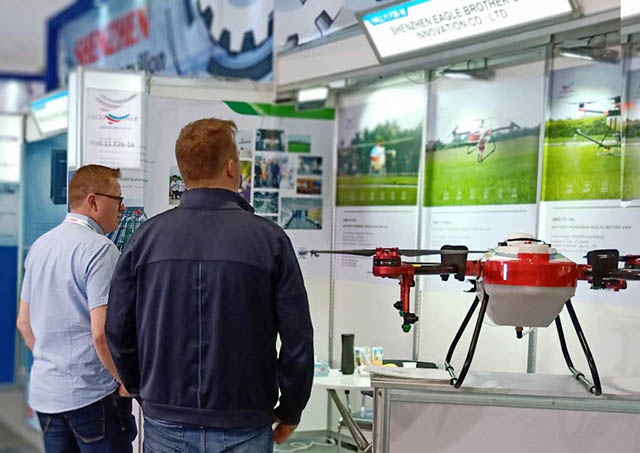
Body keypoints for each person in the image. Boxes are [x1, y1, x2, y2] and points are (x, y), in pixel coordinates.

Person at [106, 118, 314, 453]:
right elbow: (298, 338)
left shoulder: (145, 239)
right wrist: (292, 408)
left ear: (184, 171)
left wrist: (143, 390)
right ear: (231, 167)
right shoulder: (270, 241)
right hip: (245, 421)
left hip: (165, 421)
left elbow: (117, 328)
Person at [16, 164, 136, 452]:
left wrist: (56, 364)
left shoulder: (41, 246)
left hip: (47, 396)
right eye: (118, 199)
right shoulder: (100, 249)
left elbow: (24, 323)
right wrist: (126, 380)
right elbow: (101, 333)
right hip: (92, 398)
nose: (122, 208)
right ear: (93, 201)